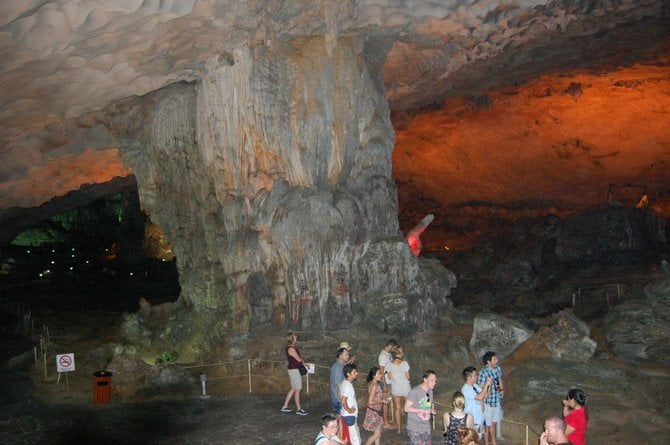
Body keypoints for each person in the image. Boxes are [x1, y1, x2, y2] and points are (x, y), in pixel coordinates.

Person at [477, 352, 503, 445]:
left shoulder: (498, 369)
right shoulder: (483, 373)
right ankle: (487, 443)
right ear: (488, 362)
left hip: (496, 400)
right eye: (494, 359)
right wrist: (488, 384)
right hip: (487, 402)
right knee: (487, 425)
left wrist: (501, 389)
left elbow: (499, 380)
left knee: (494, 422)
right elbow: (479, 388)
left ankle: (494, 441)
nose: (497, 360)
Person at [405, 370, 438, 445]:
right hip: (415, 427)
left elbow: (427, 405)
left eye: (435, 381)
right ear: (425, 379)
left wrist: (431, 410)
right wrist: (422, 410)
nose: (434, 383)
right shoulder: (415, 391)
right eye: (432, 380)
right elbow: (406, 408)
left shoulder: (430, 391)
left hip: (426, 426)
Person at [280, 332, 308, 415]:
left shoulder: (291, 347)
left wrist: (303, 362)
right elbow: (299, 360)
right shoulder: (291, 349)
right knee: (297, 389)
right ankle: (299, 409)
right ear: (291, 338)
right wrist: (302, 360)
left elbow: (298, 360)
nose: (296, 337)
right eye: (295, 336)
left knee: (293, 388)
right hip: (294, 370)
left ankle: (285, 406)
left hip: (293, 370)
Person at [386, 346, 411, 433]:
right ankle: (410, 428)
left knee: (397, 408)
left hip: (396, 389)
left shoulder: (389, 364)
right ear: (401, 353)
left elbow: (389, 377)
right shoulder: (404, 363)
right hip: (405, 388)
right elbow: (408, 377)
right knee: (408, 408)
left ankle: (399, 429)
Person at [461, 366, 491, 437]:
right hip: (472, 421)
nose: (477, 376)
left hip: (480, 419)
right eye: (475, 375)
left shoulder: (475, 385)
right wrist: (486, 384)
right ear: (469, 377)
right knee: (471, 440)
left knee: (478, 438)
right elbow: (480, 397)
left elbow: (485, 396)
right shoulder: (466, 389)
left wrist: (489, 386)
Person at [362, 367, 387, 445]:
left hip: (376, 411)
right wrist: (382, 401)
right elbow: (370, 401)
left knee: (378, 433)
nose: (381, 375)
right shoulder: (374, 385)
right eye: (379, 374)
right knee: (377, 434)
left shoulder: (374, 383)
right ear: (374, 375)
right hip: (374, 412)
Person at [378, 338, 398, 428]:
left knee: (388, 401)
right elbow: (382, 371)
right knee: (386, 401)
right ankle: (385, 423)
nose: (394, 350)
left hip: (390, 381)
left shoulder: (388, 354)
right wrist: (385, 385)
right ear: (390, 346)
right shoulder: (382, 356)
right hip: (385, 382)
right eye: (394, 348)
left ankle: (386, 420)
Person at [340, 363, 361, 445]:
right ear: (348, 374)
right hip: (349, 416)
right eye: (354, 372)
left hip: (347, 415)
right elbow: (343, 400)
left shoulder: (345, 383)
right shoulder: (347, 385)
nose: (357, 373)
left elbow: (340, 394)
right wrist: (349, 410)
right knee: (356, 440)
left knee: (347, 437)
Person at [330, 347, 350, 412]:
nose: (348, 356)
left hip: (342, 399)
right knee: (340, 418)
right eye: (346, 355)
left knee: (341, 419)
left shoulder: (342, 365)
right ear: (340, 356)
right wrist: (343, 401)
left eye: (348, 355)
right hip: (339, 399)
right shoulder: (337, 368)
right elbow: (339, 386)